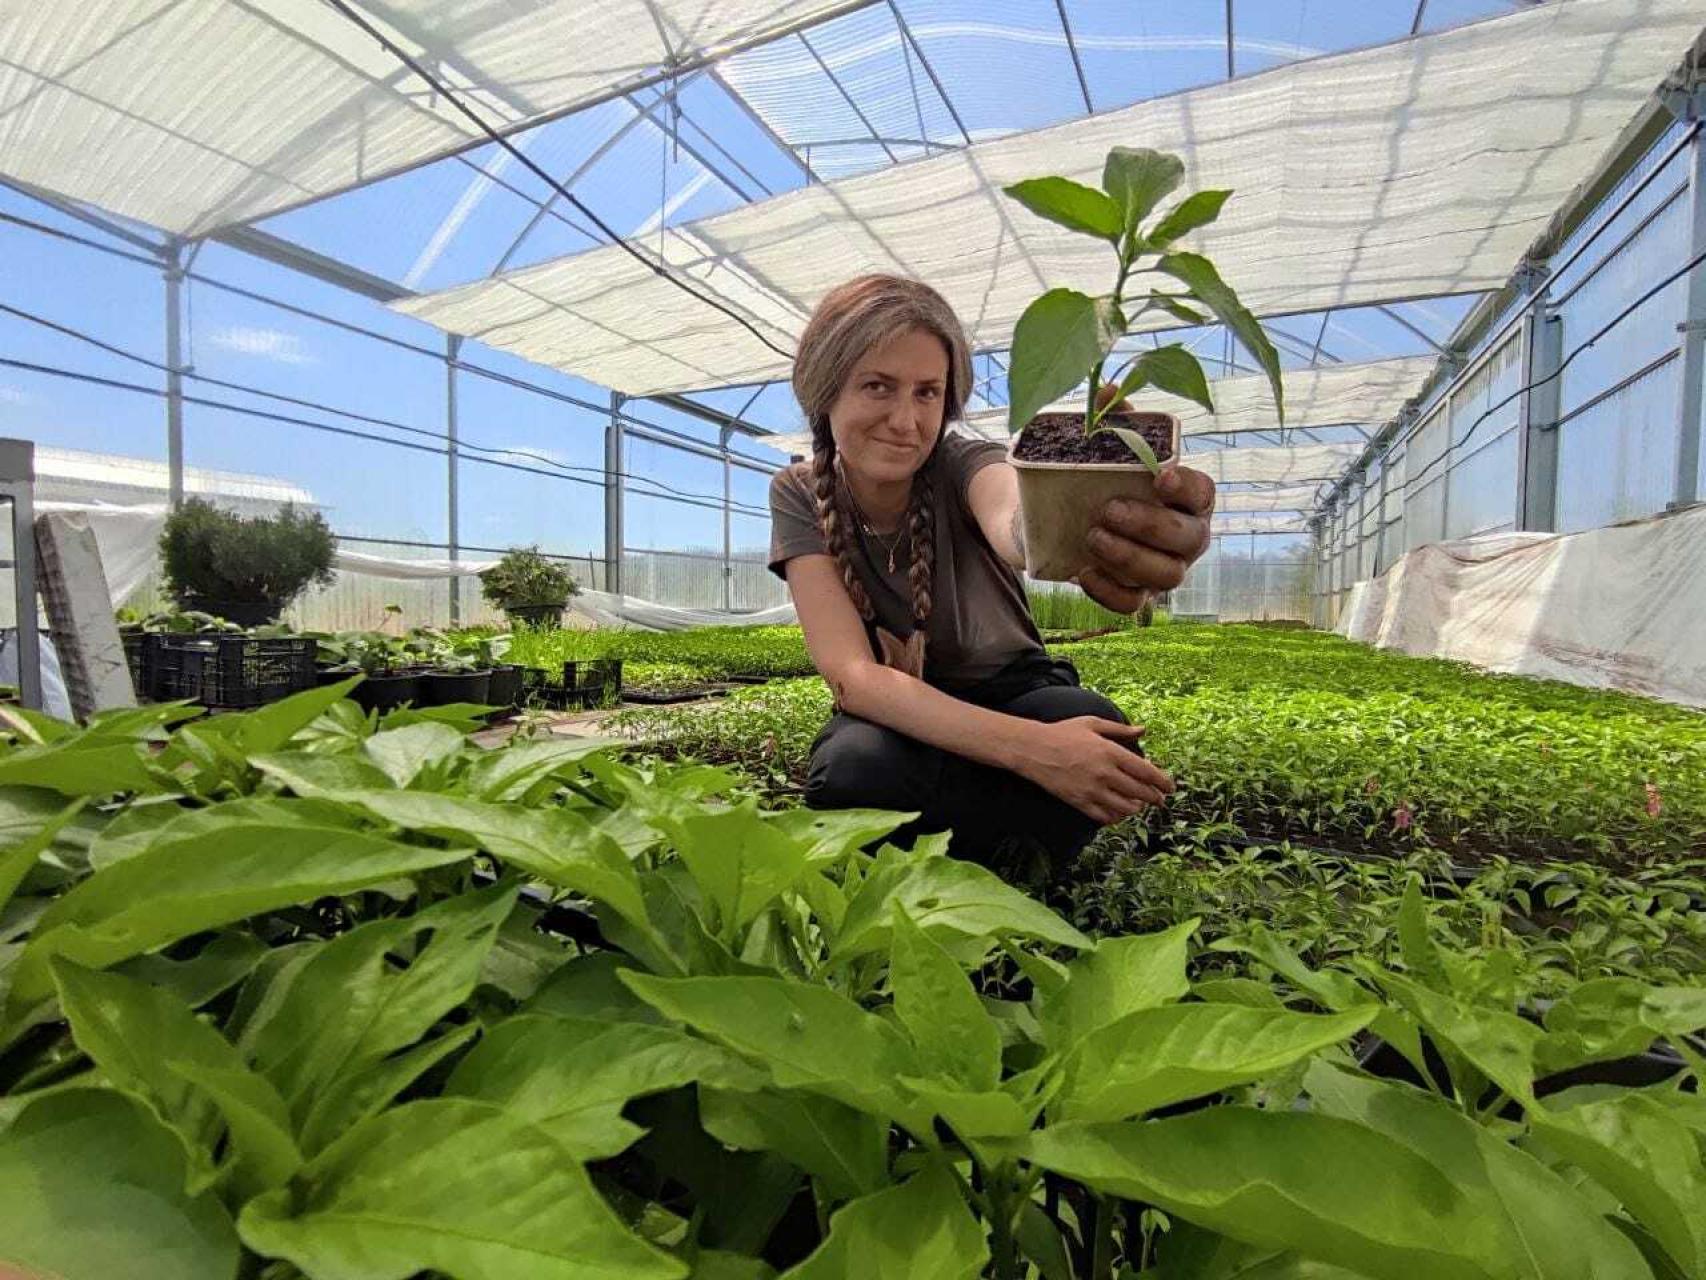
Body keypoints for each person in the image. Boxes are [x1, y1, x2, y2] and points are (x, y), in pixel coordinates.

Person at [768, 275, 1216, 875]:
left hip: (1015, 690)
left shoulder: (961, 464)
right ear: (826, 391)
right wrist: (1036, 752)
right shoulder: (799, 494)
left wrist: (1086, 504)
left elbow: (1015, 521)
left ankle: (1012, 874)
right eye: (878, 386)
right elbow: (854, 679)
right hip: (906, 710)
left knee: (1095, 728)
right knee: (854, 766)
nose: (906, 420)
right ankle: (932, 877)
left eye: (928, 393)